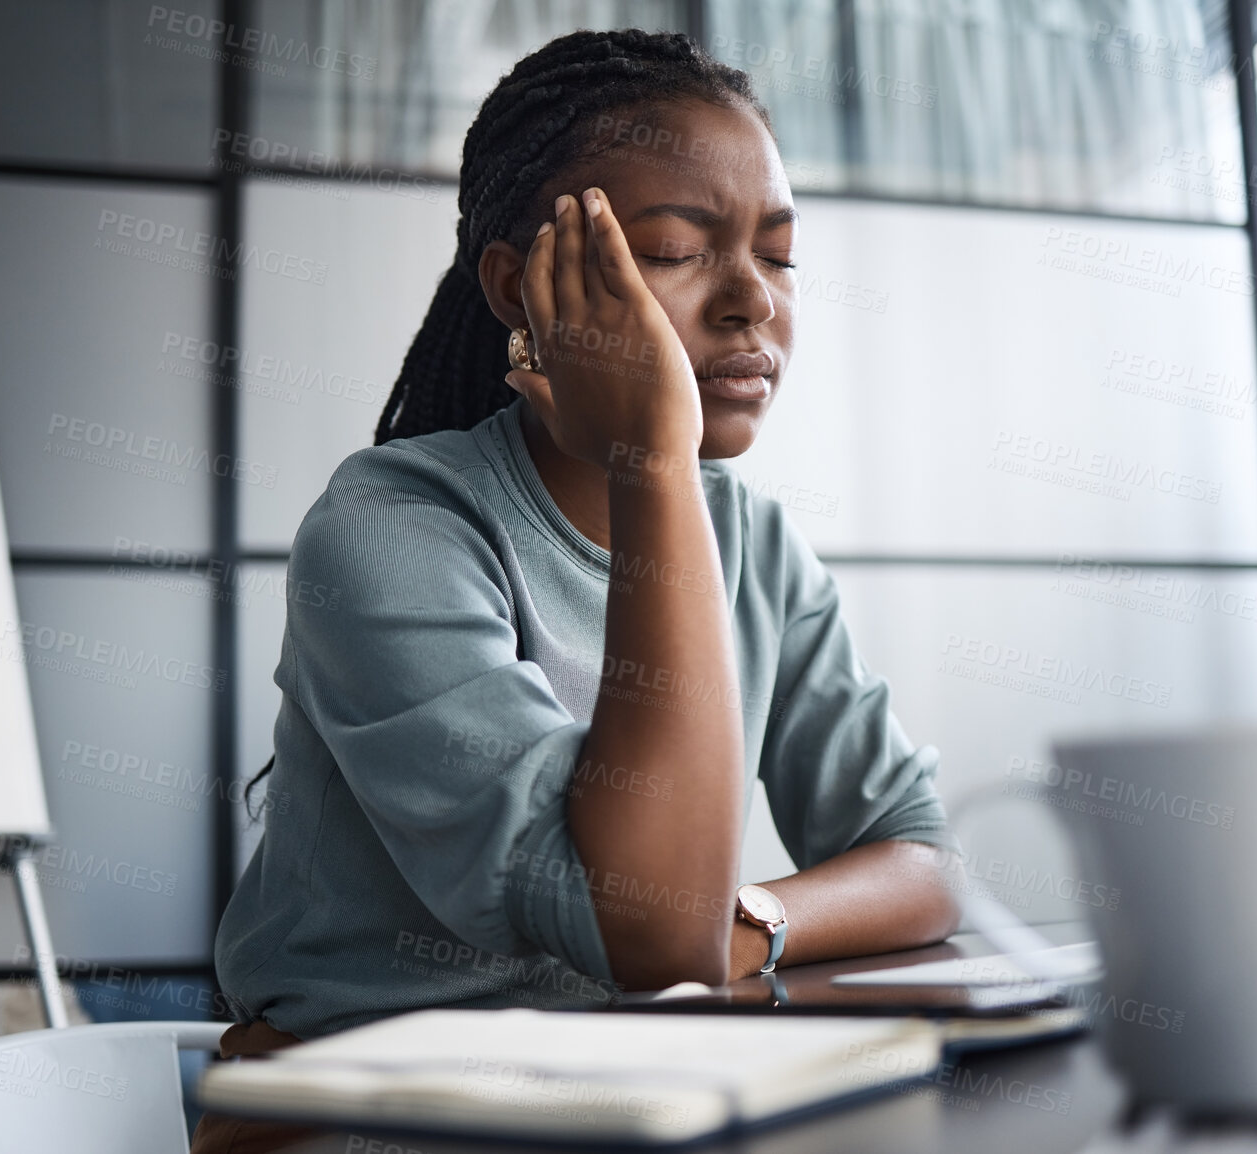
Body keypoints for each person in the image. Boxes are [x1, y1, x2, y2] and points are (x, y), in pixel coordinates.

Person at [192, 26, 960, 1154]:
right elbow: (652, 935)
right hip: (357, 1119)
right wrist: (651, 452)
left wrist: (748, 921)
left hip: (614, 1101)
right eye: (674, 248)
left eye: (780, 253)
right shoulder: (391, 528)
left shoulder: (749, 537)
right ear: (521, 287)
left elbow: (923, 855)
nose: (753, 299)